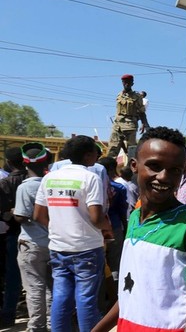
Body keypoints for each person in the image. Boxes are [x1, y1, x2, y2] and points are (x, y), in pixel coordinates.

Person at [92, 127, 186, 332]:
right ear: (134, 166)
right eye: (154, 166)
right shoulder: (134, 218)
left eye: (175, 170)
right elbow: (129, 292)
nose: (163, 177)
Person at [33, 135, 111, 331]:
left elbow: (38, 215)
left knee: (61, 296)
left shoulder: (49, 177)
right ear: (87, 155)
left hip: (58, 247)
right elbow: (95, 217)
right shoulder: (90, 178)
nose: (97, 156)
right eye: (95, 152)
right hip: (87, 248)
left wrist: (60, 228)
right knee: (85, 298)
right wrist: (107, 227)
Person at [13, 143, 52, 332]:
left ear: (24, 163)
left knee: (34, 289)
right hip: (53, 244)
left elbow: (21, 216)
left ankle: (36, 327)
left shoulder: (25, 188)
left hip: (31, 243)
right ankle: (54, 324)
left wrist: (13, 212)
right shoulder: (51, 184)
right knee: (51, 289)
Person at [0, 146, 26, 326]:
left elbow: (3, 213)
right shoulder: (34, 180)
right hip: (32, 234)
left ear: (8, 162)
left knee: (11, 278)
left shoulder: (5, 183)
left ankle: (8, 315)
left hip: (11, 234)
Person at [96, 157, 128, 288]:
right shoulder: (119, 188)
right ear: (112, 169)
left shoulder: (92, 184)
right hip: (114, 228)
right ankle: (115, 291)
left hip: (97, 228)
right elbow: (123, 211)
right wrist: (125, 227)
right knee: (115, 261)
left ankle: (102, 291)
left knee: (100, 262)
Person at [109, 74, 150, 158]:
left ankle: (131, 170)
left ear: (132, 83)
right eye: (124, 82)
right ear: (122, 83)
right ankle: (108, 169)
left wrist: (145, 125)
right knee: (112, 150)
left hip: (130, 125)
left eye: (128, 82)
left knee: (131, 151)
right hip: (117, 125)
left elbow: (142, 112)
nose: (126, 84)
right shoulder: (119, 95)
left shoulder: (137, 97)